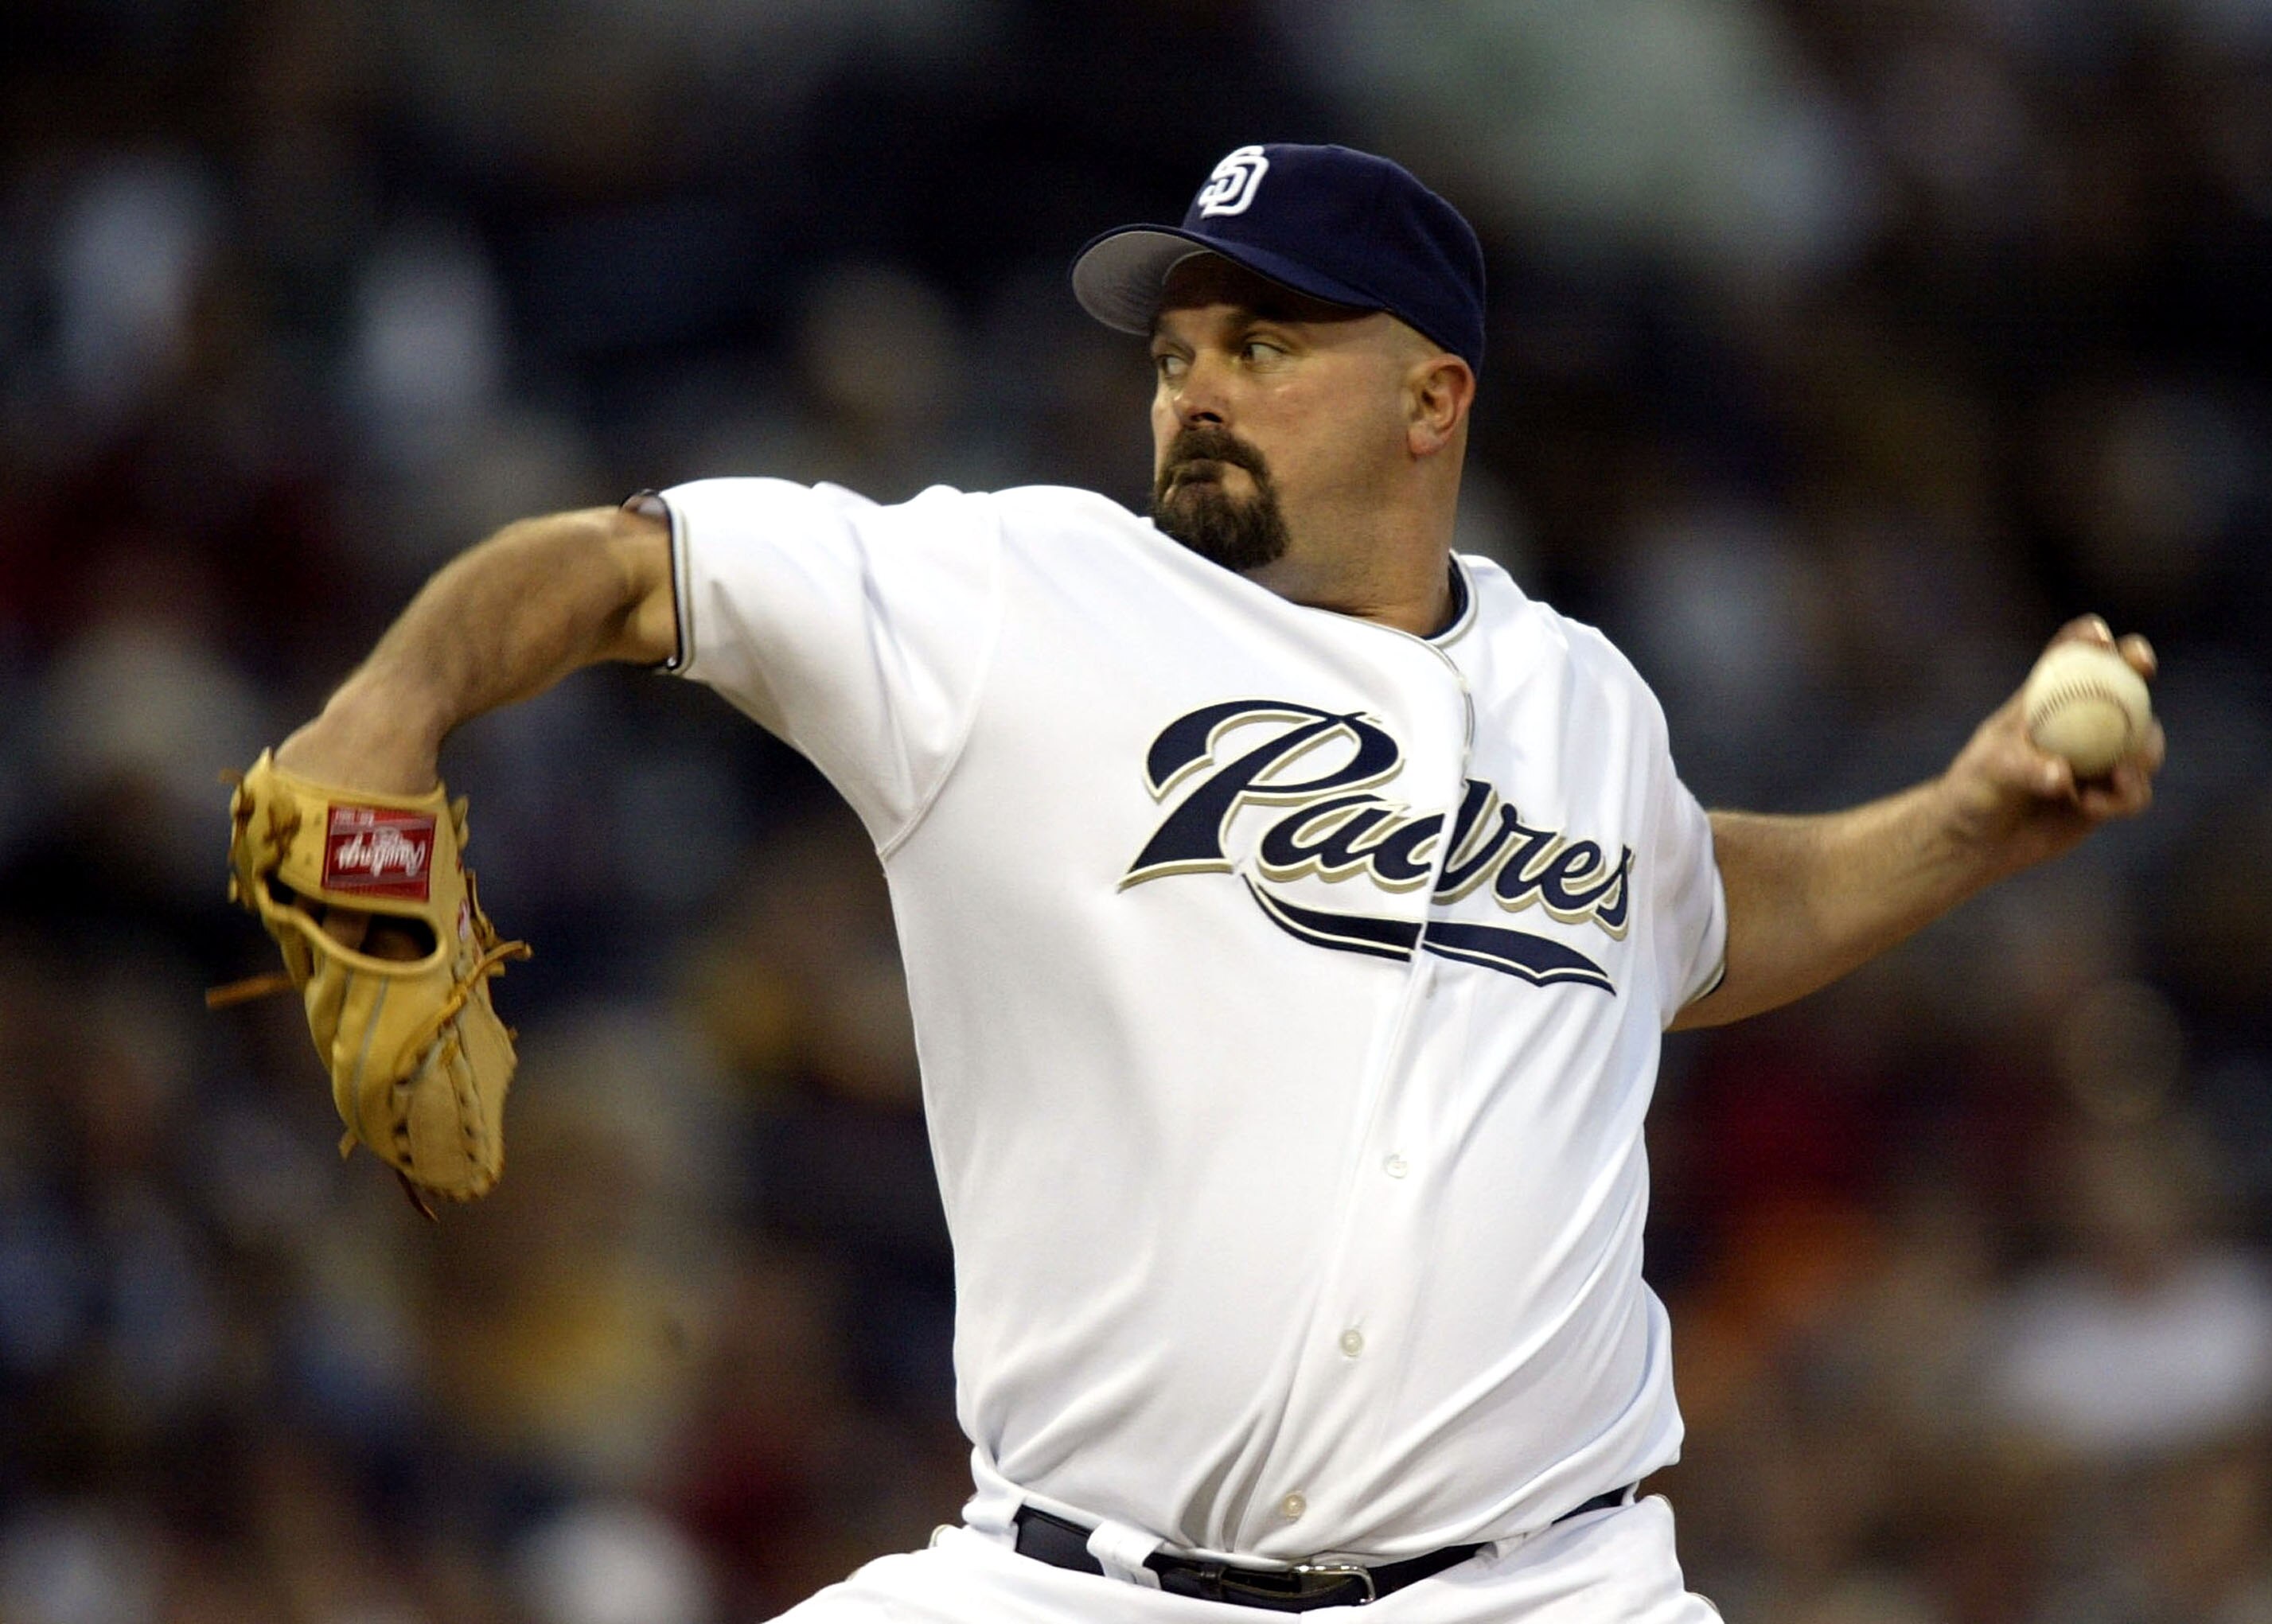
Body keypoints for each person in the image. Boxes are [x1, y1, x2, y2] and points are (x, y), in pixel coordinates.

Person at [270, 144, 2162, 1622]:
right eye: (1176, 354)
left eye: (1264, 347)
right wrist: (384, 713)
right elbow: (620, 568)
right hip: (1073, 1582)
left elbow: (1695, 915)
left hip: (1544, 1590)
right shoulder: (1018, 595)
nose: (1194, 391)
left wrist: (1969, 822)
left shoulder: (1582, 696)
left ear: (1433, 399)